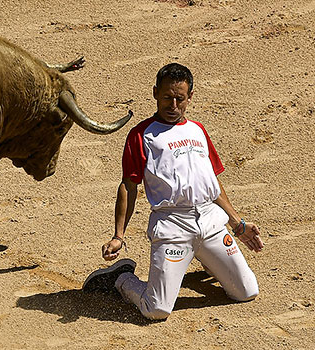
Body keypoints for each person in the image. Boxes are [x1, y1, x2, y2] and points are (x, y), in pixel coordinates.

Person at [83, 63, 264, 320]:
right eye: (167, 97)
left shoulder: (198, 130)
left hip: (211, 222)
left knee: (247, 291)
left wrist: (237, 222)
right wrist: (118, 235)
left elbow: (211, 181)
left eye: (180, 98)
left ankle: (206, 258)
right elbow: (128, 186)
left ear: (190, 96)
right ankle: (120, 278)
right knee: (156, 309)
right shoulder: (141, 135)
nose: (173, 105)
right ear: (155, 92)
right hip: (172, 226)